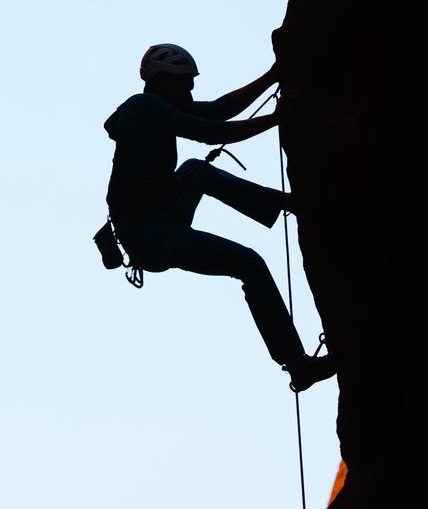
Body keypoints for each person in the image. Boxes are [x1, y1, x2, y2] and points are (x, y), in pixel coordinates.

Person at [104, 42, 336, 393]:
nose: (192, 90)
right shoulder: (145, 107)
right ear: (165, 81)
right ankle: (297, 364)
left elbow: (215, 111)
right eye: (187, 82)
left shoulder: (154, 106)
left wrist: (272, 77)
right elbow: (212, 130)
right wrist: (277, 118)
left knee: (196, 170)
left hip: (157, 221)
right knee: (250, 264)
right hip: (152, 234)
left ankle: (288, 203)